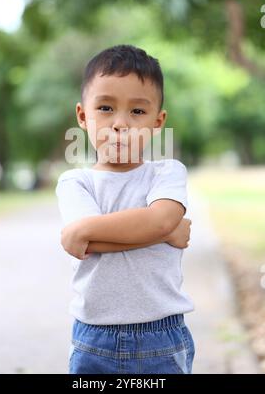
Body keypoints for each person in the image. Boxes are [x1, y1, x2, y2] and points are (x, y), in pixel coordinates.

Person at [55, 44, 195, 374]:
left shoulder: (167, 172)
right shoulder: (76, 182)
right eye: (105, 107)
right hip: (93, 337)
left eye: (137, 112)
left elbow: (86, 234)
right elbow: (85, 244)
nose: (120, 123)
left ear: (157, 121)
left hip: (161, 335)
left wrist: (159, 225)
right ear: (82, 116)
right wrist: (164, 231)